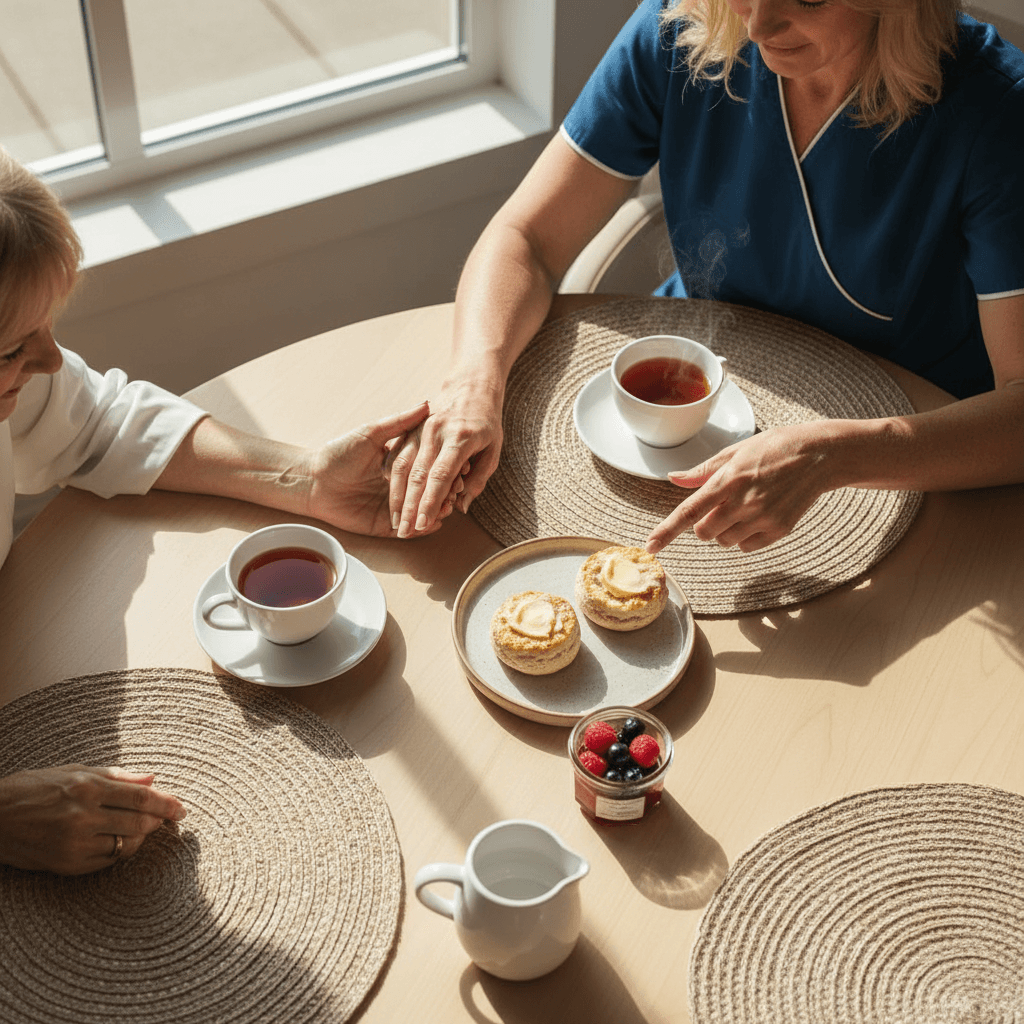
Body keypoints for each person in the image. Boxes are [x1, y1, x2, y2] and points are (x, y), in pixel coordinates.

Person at [386, 0, 1024, 556]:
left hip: (911, 463)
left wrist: (836, 454)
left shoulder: (993, 112)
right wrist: (473, 380)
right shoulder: (683, 29)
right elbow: (526, 238)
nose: (761, 21)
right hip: (694, 415)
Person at [0, 149, 458, 875]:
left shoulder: (22, 387)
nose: (53, 362)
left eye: (48, 329)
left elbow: (100, 423)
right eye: (15, 348)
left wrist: (305, 479)